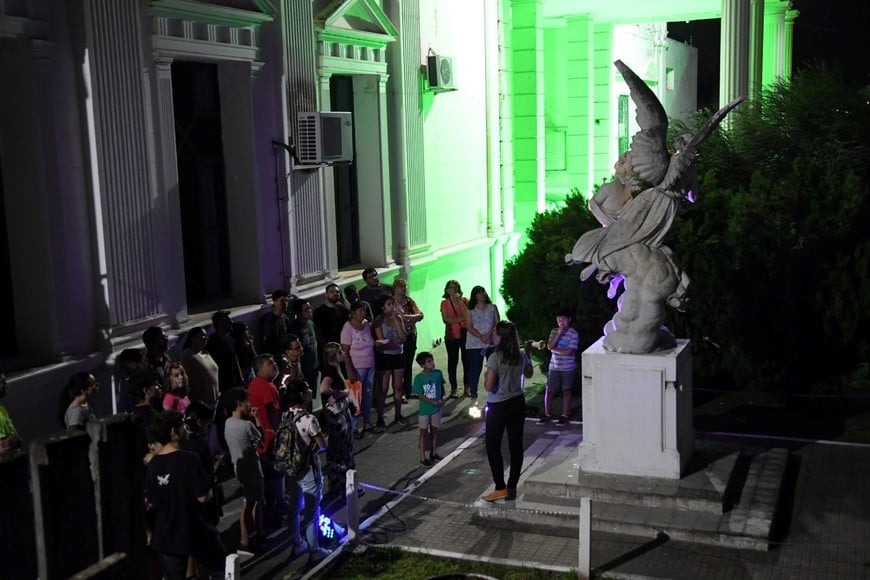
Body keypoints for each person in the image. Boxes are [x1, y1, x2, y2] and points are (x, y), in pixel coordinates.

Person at [145, 410, 225, 578]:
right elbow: (203, 496)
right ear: (173, 432)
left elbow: (151, 501)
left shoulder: (153, 464)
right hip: (192, 529)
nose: (184, 429)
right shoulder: (190, 459)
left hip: (166, 535)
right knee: (217, 569)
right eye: (181, 426)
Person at [480, 321, 533, 502]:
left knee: (493, 446)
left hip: (498, 406)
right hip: (517, 403)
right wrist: (529, 355)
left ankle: (500, 487)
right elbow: (529, 374)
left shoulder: (495, 358)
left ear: (500, 336)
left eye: (495, 333)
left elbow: (488, 386)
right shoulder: (522, 355)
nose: (492, 335)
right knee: (515, 446)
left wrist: (486, 376)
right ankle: (512, 487)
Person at [282, 380, 330, 565]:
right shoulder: (309, 419)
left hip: (291, 469)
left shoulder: (285, 415)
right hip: (308, 469)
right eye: (307, 389)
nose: (311, 390)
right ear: (302, 395)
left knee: (294, 507)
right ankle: (314, 550)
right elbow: (322, 445)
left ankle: (297, 543)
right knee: (311, 510)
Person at [246, 354, 286, 531]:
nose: (275, 365)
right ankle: (276, 507)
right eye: (271, 363)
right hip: (270, 439)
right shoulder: (269, 387)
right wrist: (279, 433)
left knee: (268, 476)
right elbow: (273, 413)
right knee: (275, 476)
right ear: (261, 369)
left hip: (260, 439)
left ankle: (273, 506)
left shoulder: (253, 385)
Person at [223, 387, 265, 551]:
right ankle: (247, 538)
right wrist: (258, 419)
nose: (250, 405)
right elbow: (261, 443)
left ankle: (253, 535)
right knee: (252, 503)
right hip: (252, 468)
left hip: (238, 467)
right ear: (239, 403)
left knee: (250, 501)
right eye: (246, 402)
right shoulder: (247, 425)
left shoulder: (227, 423)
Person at [319, 343, 358, 498]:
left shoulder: (336, 369)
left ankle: (340, 485)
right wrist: (340, 393)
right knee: (343, 449)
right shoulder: (330, 371)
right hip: (337, 416)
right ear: (333, 356)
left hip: (339, 414)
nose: (343, 353)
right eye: (340, 352)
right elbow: (323, 388)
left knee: (339, 449)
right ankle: (345, 486)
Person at [341, 301, 377, 433]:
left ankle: (367, 423)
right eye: (360, 311)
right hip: (356, 367)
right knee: (355, 397)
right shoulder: (347, 328)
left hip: (370, 364)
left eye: (364, 311)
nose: (363, 313)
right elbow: (345, 351)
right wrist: (350, 370)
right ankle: (354, 427)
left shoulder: (366, 324)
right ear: (353, 313)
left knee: (368, 395)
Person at [540, 308, 579, 425]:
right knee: (550, 389)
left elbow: (569, 352)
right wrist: (558, 334)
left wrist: (555, 350)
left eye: (564, 320)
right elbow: (549, 345)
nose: (561, 322)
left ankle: (565, 415)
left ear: (569, 320)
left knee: (566, 390)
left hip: (568, 368)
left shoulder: (573, 333)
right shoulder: (554, 331)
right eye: (559, 320)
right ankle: (547, 414)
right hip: (554, 367)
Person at [374, 296, 408, 427]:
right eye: (389, 304)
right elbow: (381, 341)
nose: (392, 306)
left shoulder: (398, 318)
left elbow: (403, 336)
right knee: (383, 388)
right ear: (383, 307)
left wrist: (396, 320)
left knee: (398, 387)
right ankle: (380, 417)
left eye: (393, 304)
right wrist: (394, 341)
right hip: (384, 357)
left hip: (398, 355)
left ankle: (398, 415)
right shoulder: (379, 321)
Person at [464, 285, 500, 403]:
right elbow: (469, 326)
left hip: (491, 343)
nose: (482, 295)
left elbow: (497, 323)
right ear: (475, 296)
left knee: (494, 368)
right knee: (475, 370)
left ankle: (495, 393)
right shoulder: (470, 310)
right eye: (479, 293)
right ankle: (473, 396)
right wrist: (480, 336)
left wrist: (489, 334)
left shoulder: (492, 307)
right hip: (475, 345)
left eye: (483, 292)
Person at [392, 277, 424, 401]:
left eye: (404, 286)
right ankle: (400, 392)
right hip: (397, 337)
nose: (403, 289)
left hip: (410, 336)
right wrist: (409, 320)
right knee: (400, 366)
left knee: (409, 363)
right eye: (401, 287)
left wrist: (406, 317)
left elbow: (420, 315)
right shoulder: (392, 303)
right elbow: (393, 319)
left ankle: (408, 390)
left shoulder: (409, 301)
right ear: (395, 288)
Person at [412, 352, 446, 467]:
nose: (432, 363)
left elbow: (442, 386)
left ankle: (434, 452)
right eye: (429, 362)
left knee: (435, 431)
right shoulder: (419, 378)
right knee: (423, 433)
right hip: (425, 410)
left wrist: (443, 398)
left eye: (432, 360)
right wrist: (432, 402)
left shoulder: (438, 374)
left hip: (436, 409)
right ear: (423, 365)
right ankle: (422, 457)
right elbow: (420, 395)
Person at [440, 279, 469, 399]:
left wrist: (460, 303)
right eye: (451, 287)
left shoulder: (465, 300)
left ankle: (468, 386)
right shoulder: (444, 303)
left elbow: (468, 315)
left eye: (455, 287)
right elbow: (447, 320)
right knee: (453, 361)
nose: (453, 289)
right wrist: (462, 318)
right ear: (447, 290)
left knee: (467, 361)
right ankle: (454, 388)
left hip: (465, 334)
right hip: (451, 336)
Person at [180, 327, 220, 405]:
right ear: (193, 338)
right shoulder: (189, 354)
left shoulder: (206, 353)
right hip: (201, 402)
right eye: (202, 336)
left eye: (206, 336)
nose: (206, 338)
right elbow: (184, 378)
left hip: (214, 400)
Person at [208, 310, 243, 393]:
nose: (231, 322)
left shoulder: (229, 338)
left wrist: (240, 377)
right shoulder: (212, 342)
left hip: (234, 383)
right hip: (223, 386)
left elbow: (235, 359)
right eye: (227, 320)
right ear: (220, 323)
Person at [289, 298, 319, 391]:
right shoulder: (294, 329)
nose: (310, 310)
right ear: (298, 313)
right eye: (306, 309)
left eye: (310, 308)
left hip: (314, 367)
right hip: (303, 369)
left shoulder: (310, 323)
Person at [312, 284, 350, 351]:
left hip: (345, 345)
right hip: (331, 349)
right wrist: (326, 348)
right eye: (332, 292)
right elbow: (318, 333)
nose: (335, 293)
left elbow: (353, 314)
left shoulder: (342, 308)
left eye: (337, 292)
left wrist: (343, 299)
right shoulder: (319, 312)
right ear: (326, 295)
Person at [115, 348, 146, 413]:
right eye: (128, 372)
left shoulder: (152, 377)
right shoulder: (125, 384)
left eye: (135, 370)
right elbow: (123, 409)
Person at [262, 289, 291, 356]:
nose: (285, 303)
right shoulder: (269, 319)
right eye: (282, 300)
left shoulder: (285, 318)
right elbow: (266, 341)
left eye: (286, 300)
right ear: (275, 302)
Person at [0, 371, 22, 455]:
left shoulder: (2, 409)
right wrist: (14, 442)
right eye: (2, 382)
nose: (7, 385)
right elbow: (2, 447)